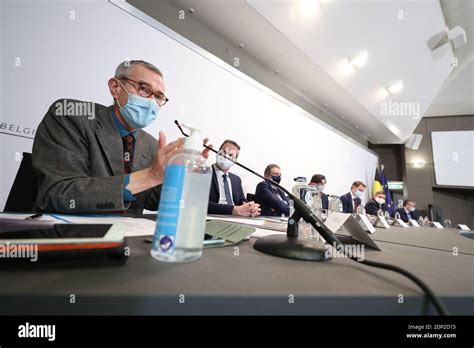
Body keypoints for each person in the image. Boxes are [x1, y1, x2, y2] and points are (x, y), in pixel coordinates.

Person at [32, 60, 212, 214]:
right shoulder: (70, 116)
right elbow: (58, 194)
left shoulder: (151, 144)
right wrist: (149, 176)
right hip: (66, 238)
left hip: (127, 242)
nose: (151, 101)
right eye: (143, 89)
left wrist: (179, 175)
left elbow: (151, 201)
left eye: (158, 96)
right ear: (116, 87)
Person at [208, 140, 260, 216]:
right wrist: (233, 210)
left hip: (236, 219)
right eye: (223, 152)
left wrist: (250, 208)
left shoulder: (236, 179)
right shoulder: (203, 173)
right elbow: (199, 202)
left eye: (230, 155)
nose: (226, 156)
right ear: (217, 153)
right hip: (213, 218)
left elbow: (242, 201)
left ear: (235, 161)